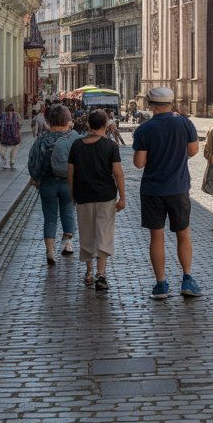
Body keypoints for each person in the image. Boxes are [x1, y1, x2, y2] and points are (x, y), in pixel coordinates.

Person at [131, 86, 202, 300]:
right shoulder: (185, 123)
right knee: (183, 234)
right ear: (171, 103)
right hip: (178, 188)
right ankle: (187, 279)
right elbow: (193, 151)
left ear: (151, 105)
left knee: (157, 236)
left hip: (152, 190)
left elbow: (138, 163)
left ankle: (161, 284)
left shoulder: (144, 129)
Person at [68, 109, 126, 292]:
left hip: (83, 196)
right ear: (105, 125)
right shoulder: (110, 146)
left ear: (88, 125)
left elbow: (71, 174)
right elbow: (118, 173)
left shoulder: (77, 145)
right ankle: (102, 274)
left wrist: (72, 194)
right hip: (106, 197)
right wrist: (122, 197)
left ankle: (89, 272)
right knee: (104, 233)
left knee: (86, 233)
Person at [28, 103, 79, 265]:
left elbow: (33, 160)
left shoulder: (42, 138)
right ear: (68, 120)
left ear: (49, 121)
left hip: (48, 183)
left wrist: (36, 178)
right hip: (69, 183)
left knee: (49, 218)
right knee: (69, 211)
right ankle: (68, 244)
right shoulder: (73, 138)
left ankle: (50, 251)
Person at [0, 103, 22, 169]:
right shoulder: (3, 115)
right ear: (6, 110)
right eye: (8, 111)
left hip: (15, 137)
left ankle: (12, 161)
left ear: (13, 110)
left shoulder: (17, 115)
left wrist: (19, 135)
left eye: (11, 111)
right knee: (2, 153)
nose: (10, 112)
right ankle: (5, 161)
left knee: (14, 150)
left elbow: (19, 126)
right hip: (4, 137)